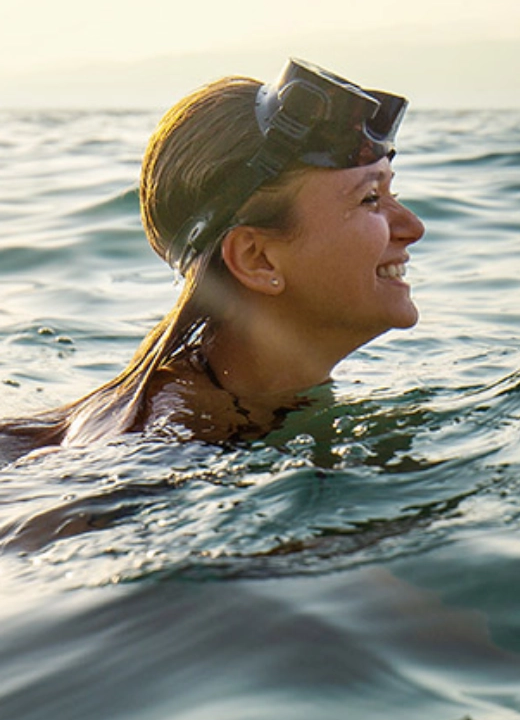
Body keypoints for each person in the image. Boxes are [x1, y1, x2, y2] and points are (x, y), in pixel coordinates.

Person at [6, 60, 426, 455]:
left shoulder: (216, 411)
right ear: (256, 259)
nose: (413, 227)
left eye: (392, 193)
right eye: (371, 199)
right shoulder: (172, 441)